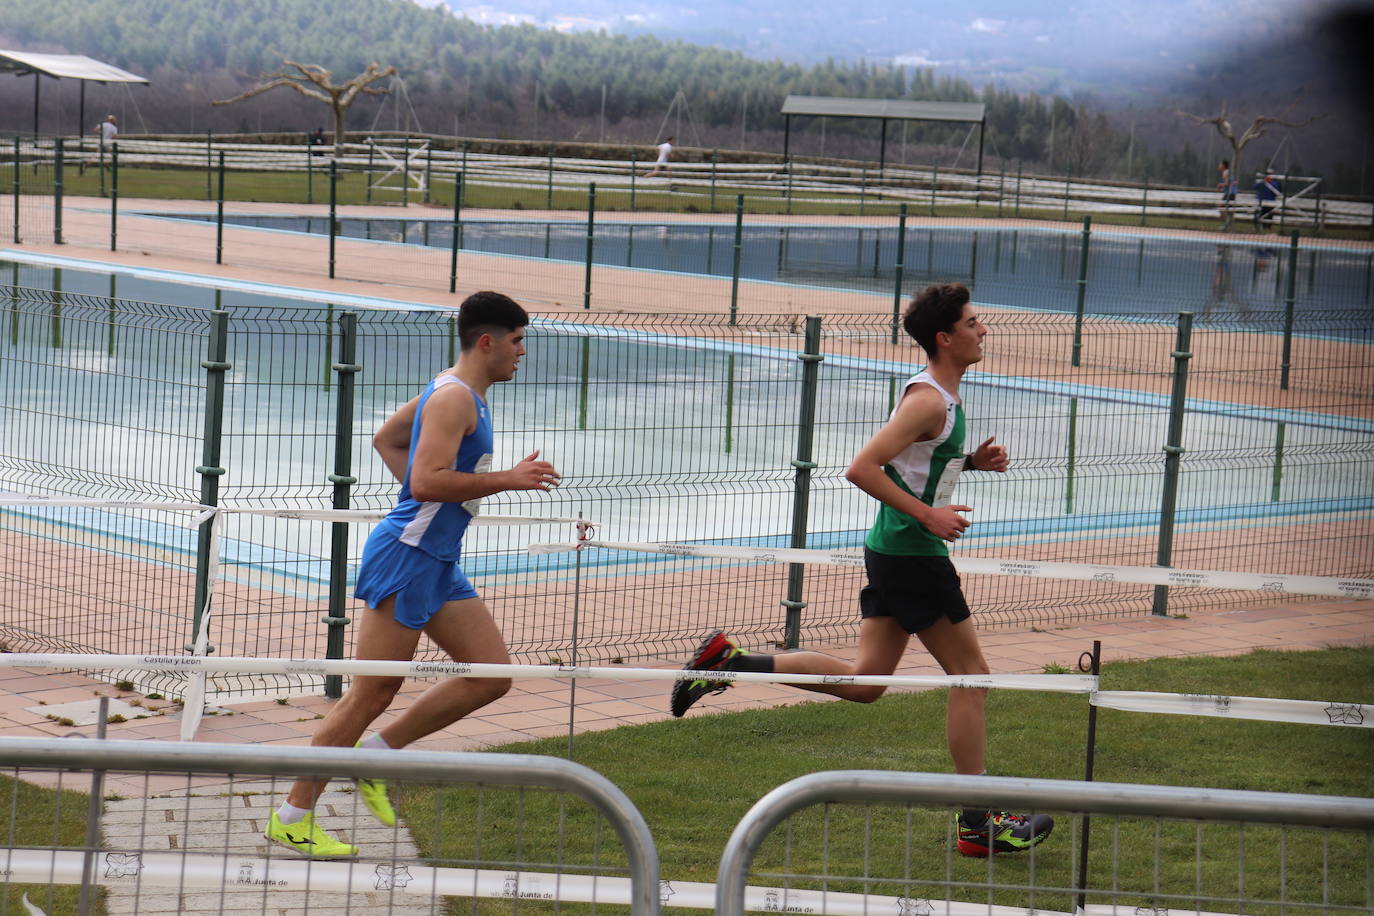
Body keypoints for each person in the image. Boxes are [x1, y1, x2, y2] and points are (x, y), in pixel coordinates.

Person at [670, 282, 1053, 859]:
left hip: (893, 550)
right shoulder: (928, 400)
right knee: (971, 676)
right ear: (945, 338)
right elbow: (861, 468)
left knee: (867, 682)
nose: (983, 331)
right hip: (911, 554)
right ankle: (978, 823)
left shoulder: (941, 400)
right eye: (973, 323)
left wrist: (968, 463)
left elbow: (911, 464)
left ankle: (728, 662)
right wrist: (930, 516)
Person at [265, 291, 561, 858]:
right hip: (407, 555)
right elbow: (426, 482)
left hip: (435, 557)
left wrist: (438, 504)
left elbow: (388, 440)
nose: (523, 352)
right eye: (519, 341)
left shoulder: (456, 389)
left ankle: (375, 757)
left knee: (490, 676)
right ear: (487, 341)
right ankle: (292, 818)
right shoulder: (454, 399)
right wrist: (506, 479)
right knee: (370, 693)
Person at [1216, 159, 1237, 225]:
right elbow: (1234, 182)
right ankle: (1230, 225)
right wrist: (1223, 188)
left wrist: (1220, 185)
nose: (1219, 166)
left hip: (1229, 194)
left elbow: (1227, 183)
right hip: (1232, 193)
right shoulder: (1229, 172)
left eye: (1220, 164)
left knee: (1221, 208)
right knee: (1230, 211)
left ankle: (1227, 224)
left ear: (1223, 166)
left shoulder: (1225, 172)